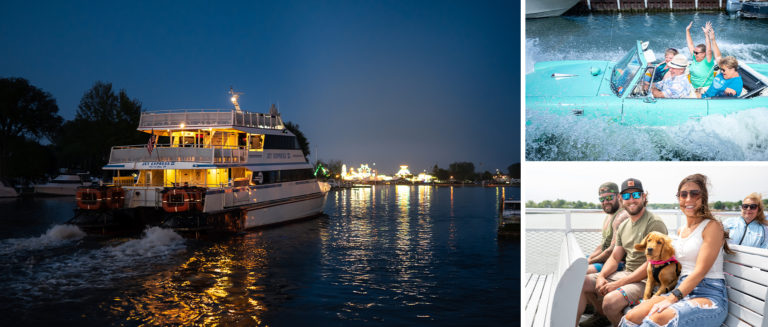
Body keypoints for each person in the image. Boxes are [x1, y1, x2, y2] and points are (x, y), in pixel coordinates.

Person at [621, 174, 731, 327]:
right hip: (683, 290)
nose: (688, 199)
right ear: (678, 198)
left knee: (655, 320)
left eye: (694, 193)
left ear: (703, 197)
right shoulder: (680, 231)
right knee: (631, 317)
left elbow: (699, 272)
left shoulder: (712, 227)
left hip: (709, 295)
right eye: (683, 194)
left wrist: (672, 298)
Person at [577, 178, 668, 327]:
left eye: (636, 195)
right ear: (621, 198)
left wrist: (618, 284)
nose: (631, 200)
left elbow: (651, 264)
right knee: (579, 281)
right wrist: (601, 276)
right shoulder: (624, 225)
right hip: (627, 274)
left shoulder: (654, 223)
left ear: (644, 197)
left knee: (610, 302)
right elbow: (614, 257)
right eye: (626, 196)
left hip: (648, 281)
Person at [587, 182, 630, 274]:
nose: (605, 202)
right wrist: (590, 257)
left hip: (619, 262)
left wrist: (589, 262)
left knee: (580, 271)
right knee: (577, 262)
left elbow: (611, 250)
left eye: (609, 198)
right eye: (602, 199)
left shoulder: (622, 216)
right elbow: (603, 245)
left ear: (618, 196)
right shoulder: (610, 215)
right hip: (607, 258)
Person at [686, 21, 717, 90]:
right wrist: (687, 31)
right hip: (693, 87)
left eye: (696, 53)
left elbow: (709, 50)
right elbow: (690, 45)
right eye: (694, 52)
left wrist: (706, 34)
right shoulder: (695, 57)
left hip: (705, 89)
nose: (694, 54)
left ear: (704, 54)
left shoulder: (708, 61)